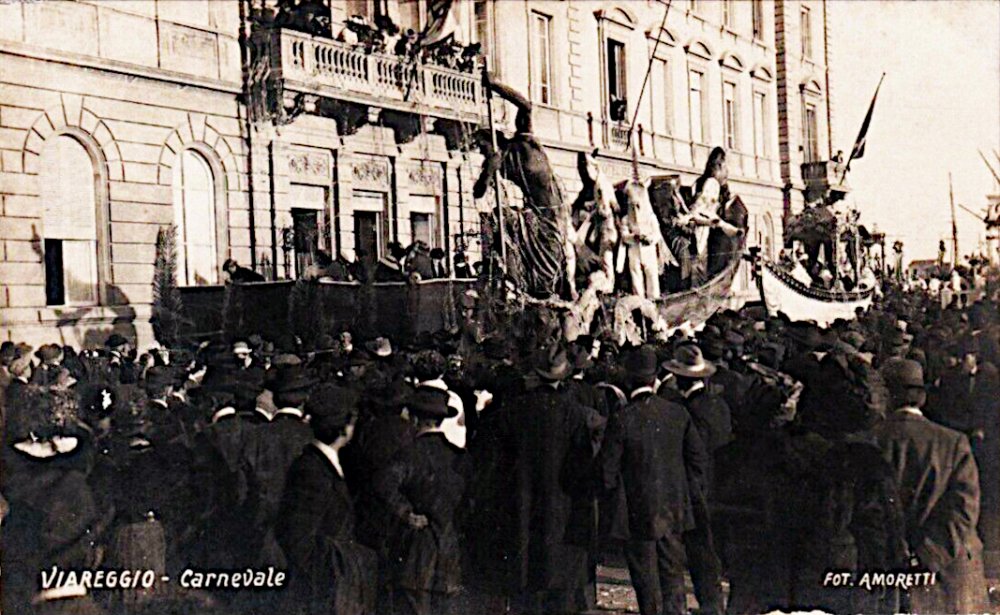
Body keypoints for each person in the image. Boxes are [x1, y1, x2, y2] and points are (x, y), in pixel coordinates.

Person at [599, 346, 710, 615]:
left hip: (637, 512)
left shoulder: (622, 418)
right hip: (674, 508)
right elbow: (698, 462)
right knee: (672, 572)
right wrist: (681, 492)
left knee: (645, 577)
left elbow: (606, 472)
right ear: (656, 377)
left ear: (628, 379)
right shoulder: (678, 414)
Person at [875, 358, 988, 613]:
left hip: (883, 576)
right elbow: (963, 510)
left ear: (885, 396)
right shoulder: (953, 442)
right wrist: (927, 554)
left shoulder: (869, 440)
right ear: (922, 398)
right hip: (945, 574)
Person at [275, 384, 377, 614]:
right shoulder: (312, 471)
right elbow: (298, 539)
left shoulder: (323, 463)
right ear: (344, 428)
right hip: (320, 591)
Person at [474, 73, 572, 299]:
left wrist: (496, 86)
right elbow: (478, 193)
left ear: (494, 139)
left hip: (553, 212)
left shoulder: (523, 141)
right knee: (498, 218)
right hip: (537, 215)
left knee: (551, 264)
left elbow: (525, 105)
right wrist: (489, 170)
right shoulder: (499, 163)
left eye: (482, 147)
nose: (482, 152)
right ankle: (512, 281)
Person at [374, 387, 469, 615]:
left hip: (415, 557)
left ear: (415, 420)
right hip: (450, 555)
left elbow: (382, 485)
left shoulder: (408, 454)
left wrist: (406, 514)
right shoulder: (460, 457)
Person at [660, 343, 728, 615]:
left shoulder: (684, 412)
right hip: (718, 486)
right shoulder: (719, 405)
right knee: (708, 551)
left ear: (679, 379)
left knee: (693, 549)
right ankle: (713, 605)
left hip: (692, 489)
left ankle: (702, 605)